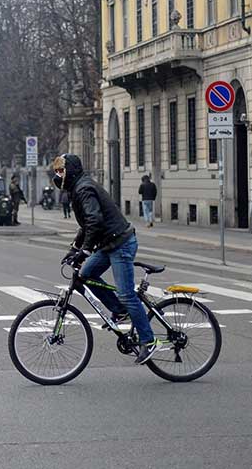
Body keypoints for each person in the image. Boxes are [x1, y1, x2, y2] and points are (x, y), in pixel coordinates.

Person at [53, 153, 161, 365]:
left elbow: (94, 221)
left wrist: (84, 251)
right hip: (108, 243)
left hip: (120, 243)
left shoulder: (83, 189)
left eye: (61, 171)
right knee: (86, 274)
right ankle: (119, 311)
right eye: (56, 171)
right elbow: (86, 225)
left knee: (126, 294)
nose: (58, 176)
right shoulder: (77, 188)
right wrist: (74, 248)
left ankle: (149, 341)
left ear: (71, 171)